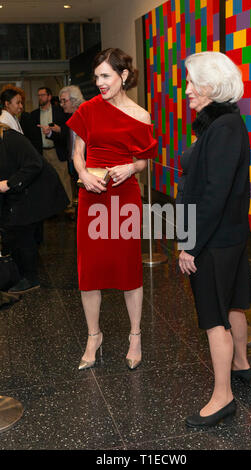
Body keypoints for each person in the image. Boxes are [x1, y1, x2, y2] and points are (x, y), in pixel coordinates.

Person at [177, 51, 251, 428]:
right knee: (234, 303)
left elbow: (213, 194)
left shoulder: (223, 128)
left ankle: (223, 397)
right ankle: (241, 365)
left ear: (211, 85)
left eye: (192, 82)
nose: (187, 89)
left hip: (214, 239)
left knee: (214, 317)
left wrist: (189, 243)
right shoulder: (225, 124)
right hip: (229, 235)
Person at [66, 48, 157, 371]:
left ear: (124, 76)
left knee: (128, 268)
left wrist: (130, 169)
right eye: (96, 77)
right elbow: (78, 152)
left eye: (105, 76)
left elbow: (144, 162)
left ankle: (135, 336)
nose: (99, 83)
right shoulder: (88, 110)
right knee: (89, 271)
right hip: (92, 195)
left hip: (124, 196)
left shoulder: (140, 115)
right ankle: (94, 336)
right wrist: (83, 174)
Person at [0, 123, 69, 293]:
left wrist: (9, 183)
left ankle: (30, 279)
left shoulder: (11, 138)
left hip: (35, 189)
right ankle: (19, 274)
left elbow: (34, 164)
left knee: (22, 229)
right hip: (20, 189)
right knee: (13, 228)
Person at [30, 87, 73, 209]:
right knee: (45, 181)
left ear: (49, 97)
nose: (40, 98)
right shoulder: (34, 115)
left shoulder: (60, 111)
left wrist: (57, 130)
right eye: (38, 95)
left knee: (63, 178)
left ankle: (68, 205)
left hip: (56, 150)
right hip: (41, 153)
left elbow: (66, 130)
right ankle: (50, 207)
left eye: (42, 95)